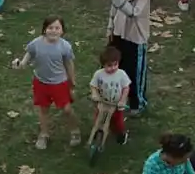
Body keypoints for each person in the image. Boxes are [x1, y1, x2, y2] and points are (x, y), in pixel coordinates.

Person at [11, 15, 81, 150]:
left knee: (67, 109)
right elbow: (27, 58)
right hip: (41, 83)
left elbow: (69, 64)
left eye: (57, 28)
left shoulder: (65, 46)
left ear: (62, 31)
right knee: (43, 110)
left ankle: (75, 131)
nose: (53, 31)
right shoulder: (36, 44)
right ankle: (44, 134)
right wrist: (20, 65)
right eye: (50, 28)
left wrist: (72, 81)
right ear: (44, 30)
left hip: (59, 84)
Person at [108, 0, 153, 112]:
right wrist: (110, 28)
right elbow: (114, 9)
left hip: (136, 37)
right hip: (119, 33)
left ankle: (138, 103)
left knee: (135, 73)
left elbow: (134, 13)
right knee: (118, 68)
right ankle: (120, 98)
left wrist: (119, 0)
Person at [88, 46, 131, 146]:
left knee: (118, 122)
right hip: (103, 102)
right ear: (103, 65)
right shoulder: (99, 74)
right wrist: (94, 94)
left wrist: (122, 100)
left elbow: (126, 88)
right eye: (109, 65)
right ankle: (98, 132)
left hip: (116, 104)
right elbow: (93, 85)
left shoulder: (121, 74)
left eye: (115, 64)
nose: (113, 68)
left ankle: (121, 134)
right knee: (98, 119)